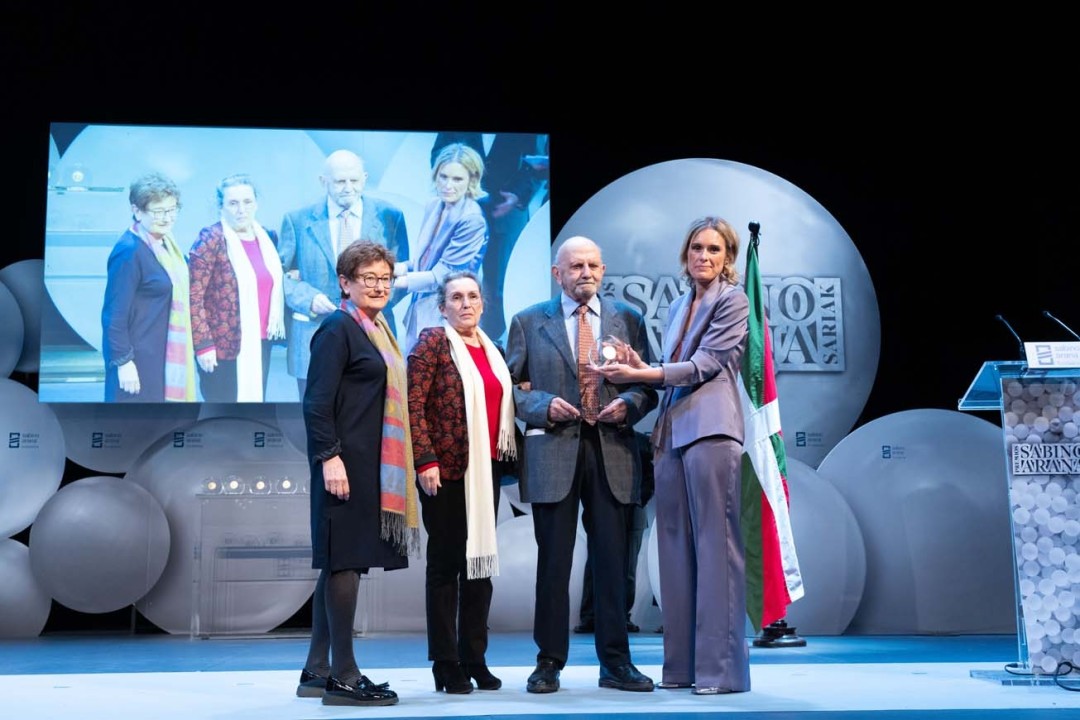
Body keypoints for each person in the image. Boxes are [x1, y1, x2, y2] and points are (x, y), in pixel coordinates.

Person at [592, 216, 752, 695]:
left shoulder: (733, 300)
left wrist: (641, 375)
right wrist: (640, 365)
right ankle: (680, 668)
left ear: (728, 258)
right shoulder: (680, 303)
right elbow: (671, 367)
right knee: (675, 551)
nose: (704, 256)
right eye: (697, 248)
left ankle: (720, 672)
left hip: (711, 429)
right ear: (686, 254)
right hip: (671, 432)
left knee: (716, 550)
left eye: (714, 249)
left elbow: (705, 366)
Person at [505, 235, 658, 694]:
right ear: (558, 274)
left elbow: (647, 384)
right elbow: (507, 388)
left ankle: (616, 663)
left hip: (613, 450)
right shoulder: (529, 321)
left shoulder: (628, 319)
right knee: (554, 564)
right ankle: (548, 662)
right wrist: (542, 406)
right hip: (554, 449)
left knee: (612, 563)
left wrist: (628, 405)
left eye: (592, 265)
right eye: (575, 266)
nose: (585, 273)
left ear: (603, 270)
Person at [296, 240, 419, 707]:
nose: (379, 286)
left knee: (342, 561)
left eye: (385, 278)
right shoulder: (337, 328)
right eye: (368, 278)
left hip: (369, 466)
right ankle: (345, 677)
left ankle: (317, 670)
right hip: (343, 465)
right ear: (345, 283)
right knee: (344, 561)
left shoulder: (378, 329)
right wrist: (329, 458)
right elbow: (316, 402)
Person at [406, 270, 517, 694]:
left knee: (479, 565)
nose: (466, 303)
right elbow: (414, 404)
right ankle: (445, 662)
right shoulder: (433, 343)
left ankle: (475, 657)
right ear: (442, 307)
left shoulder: (493, 350)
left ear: (483, 304)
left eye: (473, 296)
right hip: (445, 470)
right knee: (446, 565)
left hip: (485, 470)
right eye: (456, 297)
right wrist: (425, 459)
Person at [278, 150, 410, 398]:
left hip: (373, 334)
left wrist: (370, 302)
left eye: (354, 180)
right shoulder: (297, 220)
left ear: (365, 178)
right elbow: (279, 275)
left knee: (371, 415)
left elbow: (401, 275)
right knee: (317, 414)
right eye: (340, 181)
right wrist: (308, 298)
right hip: (314, 334)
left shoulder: (390, 217)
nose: (348, 188)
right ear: (323, 181)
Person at [188, 174, 285, 401]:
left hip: (261, 341)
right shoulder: (211, 239)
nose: (241, 210)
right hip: (222, 347)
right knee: (223, 412)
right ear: (220, 206)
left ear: (256, 203)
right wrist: (203, 345)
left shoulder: (268, 237)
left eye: (247, 202)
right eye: (233, 203)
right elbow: (194, 296)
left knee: (253, 408)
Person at [101, 172, 196, 402]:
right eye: (158, 211)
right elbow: (113, 315)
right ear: (137, 210)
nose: (167, 218)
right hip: (138, 361)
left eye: (172, 209)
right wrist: (124, 362)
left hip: (161, 356)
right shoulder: (129, 250)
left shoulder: (167, 245)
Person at [394, 143, 488, 356]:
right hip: (421, 309)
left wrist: (395, 282)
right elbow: (426, 261)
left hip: (449, 314)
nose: (448, 185)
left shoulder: (472, 219)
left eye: (457, 179)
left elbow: (445, 274)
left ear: (472, 180)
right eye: (443, 177)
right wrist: (396, 268)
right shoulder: (434, 205)